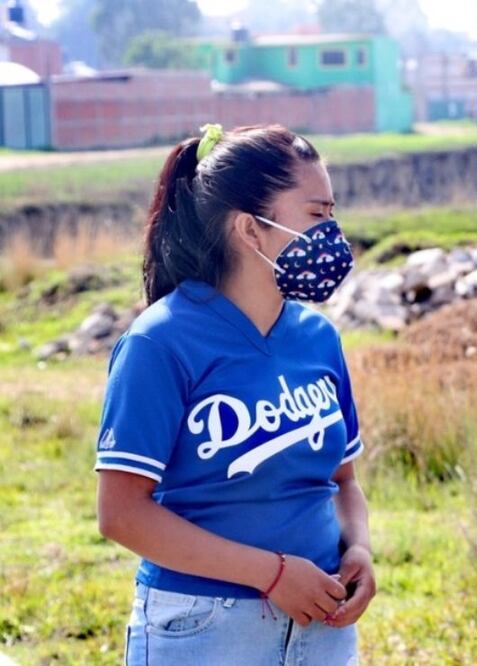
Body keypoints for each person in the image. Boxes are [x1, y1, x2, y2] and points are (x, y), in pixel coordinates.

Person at [94, 123, 373, 665]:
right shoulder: (160, 342)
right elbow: (121, 514)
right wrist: (270, 575)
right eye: (317, 214)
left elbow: (343, 481)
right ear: (250, 229)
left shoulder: (319, 338)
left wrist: (357, 547)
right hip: (203, 630)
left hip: (322, 627)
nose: (333, 233)